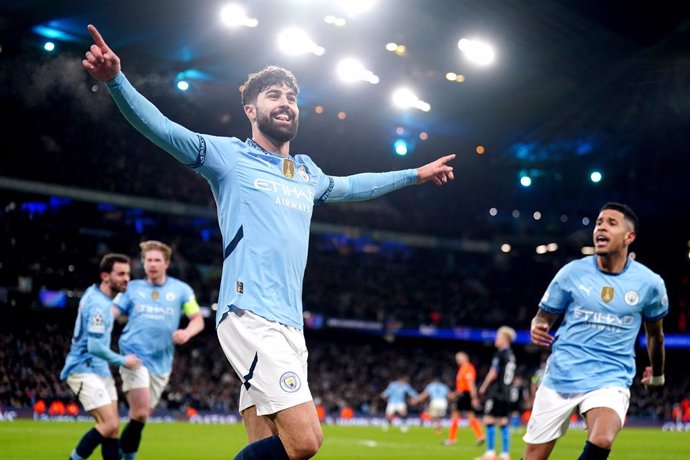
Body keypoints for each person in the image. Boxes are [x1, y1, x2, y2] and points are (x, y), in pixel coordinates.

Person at [82, 24, 455, 460]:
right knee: (305, 442)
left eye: (291, 97)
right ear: (250, 109)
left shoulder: (307, 174)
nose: (284, 103)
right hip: (249, 315)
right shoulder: (228, 157)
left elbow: (356, 185)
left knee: (262, 445)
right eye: (273, 96)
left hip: (290, 326)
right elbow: (163, 129)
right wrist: (117, 83)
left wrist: (415, 173)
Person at [522, 202, 668, 460]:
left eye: (611, 223)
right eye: (599, 222)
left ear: (629, 237)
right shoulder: (571, 273)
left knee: (602, 438)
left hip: (611, 376)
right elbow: (542, 317)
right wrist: (538, 326)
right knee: (534, 457)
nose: (601, 226)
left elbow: (655, 334)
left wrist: (657, 374)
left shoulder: (650, 284)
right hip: (562, 374)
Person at [113, 241, 205, 460]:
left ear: (166, 264)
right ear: (143, 263)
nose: (152, 264)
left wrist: (187, 333)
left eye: (157, 260)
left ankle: (124, 455)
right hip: (133, 356)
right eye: (148, 260)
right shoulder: (132, 288)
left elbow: (197, 319)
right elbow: (112, 312)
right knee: (141, 411)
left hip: (162, 363)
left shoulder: (181, 290)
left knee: (140, 417)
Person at [60, 253, 142, 460]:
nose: (126, 279)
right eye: (121, 274)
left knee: (112, 430)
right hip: (83, 369)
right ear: (105, 276)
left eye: (128, 274)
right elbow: (94, 346)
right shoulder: (98, 305)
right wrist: (124, 361)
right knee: (110, 424)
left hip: (100, 370)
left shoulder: (97, 294)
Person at [476, 326, 517, 460]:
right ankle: (505, 454)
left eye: (498, 337)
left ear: (505, 339)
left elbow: (493, 373)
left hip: (497, 391)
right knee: (503, 421)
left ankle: (490, 453)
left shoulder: (499, 353)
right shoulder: (511, 355)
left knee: (489, 419)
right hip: (507, 392)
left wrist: (483, 387)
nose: (496, 339)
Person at [445, 351, 485, 446]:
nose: (457, 360)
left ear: (465, 358)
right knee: (470, 416)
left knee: (455, 414)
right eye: (456, 358)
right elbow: (461, 386)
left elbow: (470, 383)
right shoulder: (462, 368)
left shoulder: (467, 368)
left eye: (459, 357)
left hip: (465, 395)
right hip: (463, 394)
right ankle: (480, 435)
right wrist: (455, 394)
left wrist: (473, 397)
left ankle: (451, 439)